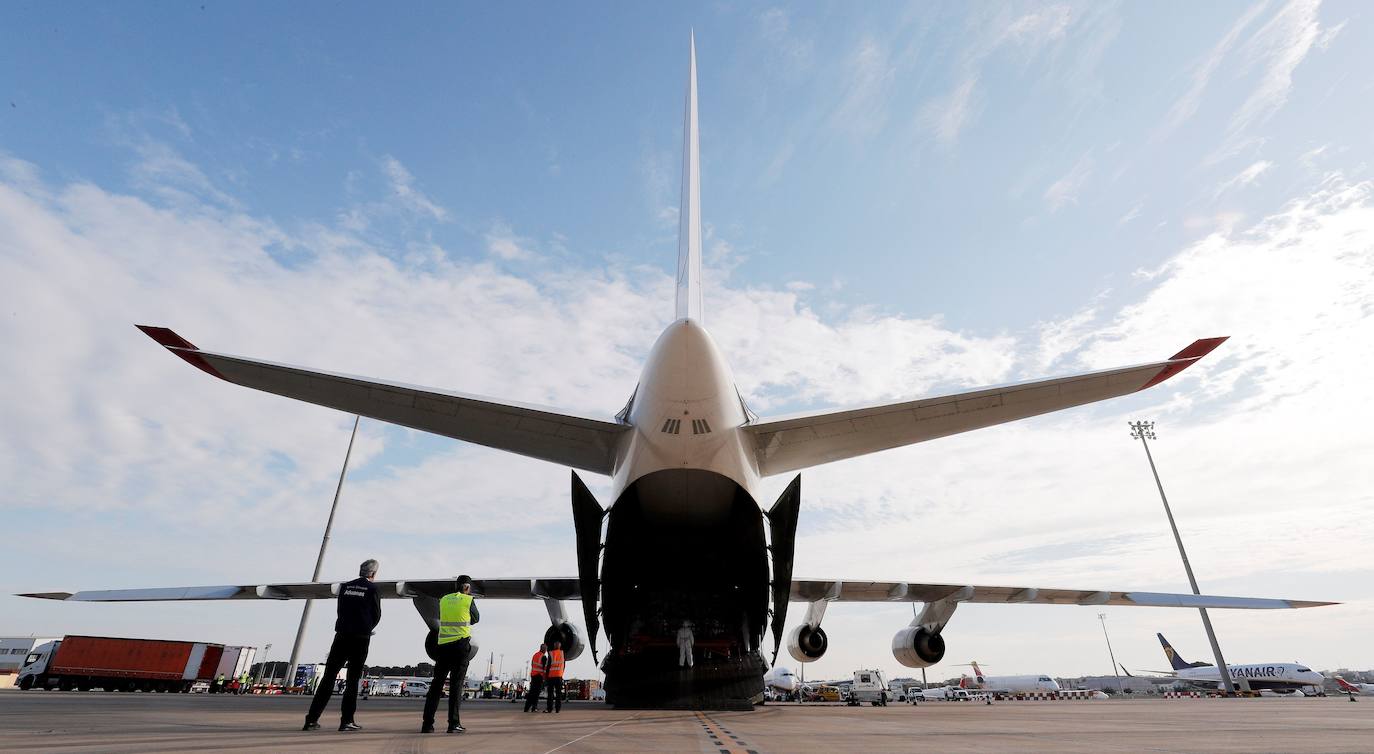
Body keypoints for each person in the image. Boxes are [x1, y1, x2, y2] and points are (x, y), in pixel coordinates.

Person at [303, 558, 382, 732]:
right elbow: (376, 614)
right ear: (374, 574)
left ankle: (311, 719)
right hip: (360, 637)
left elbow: (340, 609)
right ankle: (346, 721)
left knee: (329, 677)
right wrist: (366, 627)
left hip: (341, 635)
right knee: (353, 680)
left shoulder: (345, 587)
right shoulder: (372, 589)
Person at [422, 575, 479, 734]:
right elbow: (476, 618)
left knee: (436, 686)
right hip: (460, 647)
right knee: (455, 687)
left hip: (443, 647)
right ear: (467, 587)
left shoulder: (444, 599)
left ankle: (427, 724)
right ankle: (453, 724)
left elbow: (442, 616)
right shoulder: (468, 600)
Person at [524, 643, 549, 712]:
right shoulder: (543, 657)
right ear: (543, 649)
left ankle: (526, 708)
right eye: (545, 649)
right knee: (536, 693)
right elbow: (544, 669)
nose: (546, 650)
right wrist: (544, 678)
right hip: (539, 676)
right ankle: (534, 707)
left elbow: (532, 665)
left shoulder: (535, 655)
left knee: (531, 692)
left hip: (533, 675)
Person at [544, 641, 565, 713]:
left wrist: (546, 677)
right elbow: (564, 666)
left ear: (554, 646)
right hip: (559, 676)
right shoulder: (563, 654)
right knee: (558, 694)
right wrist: (561, 674)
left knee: (550, 694)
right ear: (560, 646)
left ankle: (549, 709)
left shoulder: (551, 653)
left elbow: (548, 666)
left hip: (551, 676)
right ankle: (557, 709)